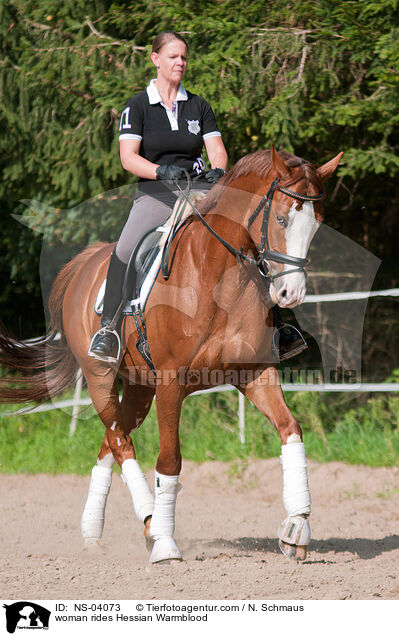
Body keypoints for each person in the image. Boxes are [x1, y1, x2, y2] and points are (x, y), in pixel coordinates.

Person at [88, 30, 306, 363]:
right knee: (127, 247)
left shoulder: (198, 105)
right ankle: (108, 328)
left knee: (247, 238)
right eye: (173, 57)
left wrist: (219, 171)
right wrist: (161, 172)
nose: (180, 63)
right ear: (156, 59)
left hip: (201, 192)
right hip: (156, 194)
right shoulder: (138, 106)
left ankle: (278, 326)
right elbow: (128, 157)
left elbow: (217, 151)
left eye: (184, 57)